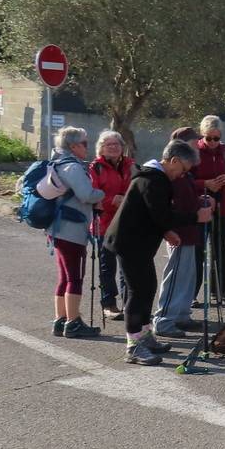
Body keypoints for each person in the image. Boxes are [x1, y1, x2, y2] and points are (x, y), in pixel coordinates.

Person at [104, 140, 213, 365]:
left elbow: (154, 214)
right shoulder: (153, 180)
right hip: (129, 242)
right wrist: (195, 217)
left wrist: (166, 231)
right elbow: (162, 214)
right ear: (174, 161)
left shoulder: (155, 178)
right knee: (138, 292)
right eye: (183, 170)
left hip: (138, 242)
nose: (182, 175)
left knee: (148, 288)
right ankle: (133, 345)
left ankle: (145, 336)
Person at [148, 127, 210, 339]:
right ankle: (164, 319)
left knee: (187, 276)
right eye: (194, 143)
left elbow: (187, 199)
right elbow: (172, 205)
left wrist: (202, 202)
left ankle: (181, 315)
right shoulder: (172, 173)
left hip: (189, 231)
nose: (198, 146)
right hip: (180, 232)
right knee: (175, 276)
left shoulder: (184, 172)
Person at [48, 127, 106, 339]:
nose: (87, 147)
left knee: (65, 276)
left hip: (58, 227)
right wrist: (102, 193)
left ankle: (61, 319)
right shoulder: (72, 167)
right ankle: (73, 323)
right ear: (73, 146)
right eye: (84, 143)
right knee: (75, 277)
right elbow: (86, 194)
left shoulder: (58, 162)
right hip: (71, 230)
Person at [192, 115, 225, 305]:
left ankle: (220, 289)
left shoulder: (224, 152)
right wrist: (205, 184)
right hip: (200, 207)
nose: (213, 142)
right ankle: (191, 294)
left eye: (216, 138)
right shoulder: (194, 151)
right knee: (198, 252)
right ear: (202, 135)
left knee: (221, 250)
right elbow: (185, 179)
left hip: (222, 208)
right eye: (209, 138)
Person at [88, 130, 136, 319]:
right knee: (107, 267)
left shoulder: (130, 165)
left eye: (117, 144)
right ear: (101, 148)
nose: (114, 147)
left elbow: (136, 188)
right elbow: (92, 195)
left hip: (126, 222)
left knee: (128, 266)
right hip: (103, 224)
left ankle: (129, 303)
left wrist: (123, 199)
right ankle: (108, 304)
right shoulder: (95, 168)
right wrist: (111, 201)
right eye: (109, 144)